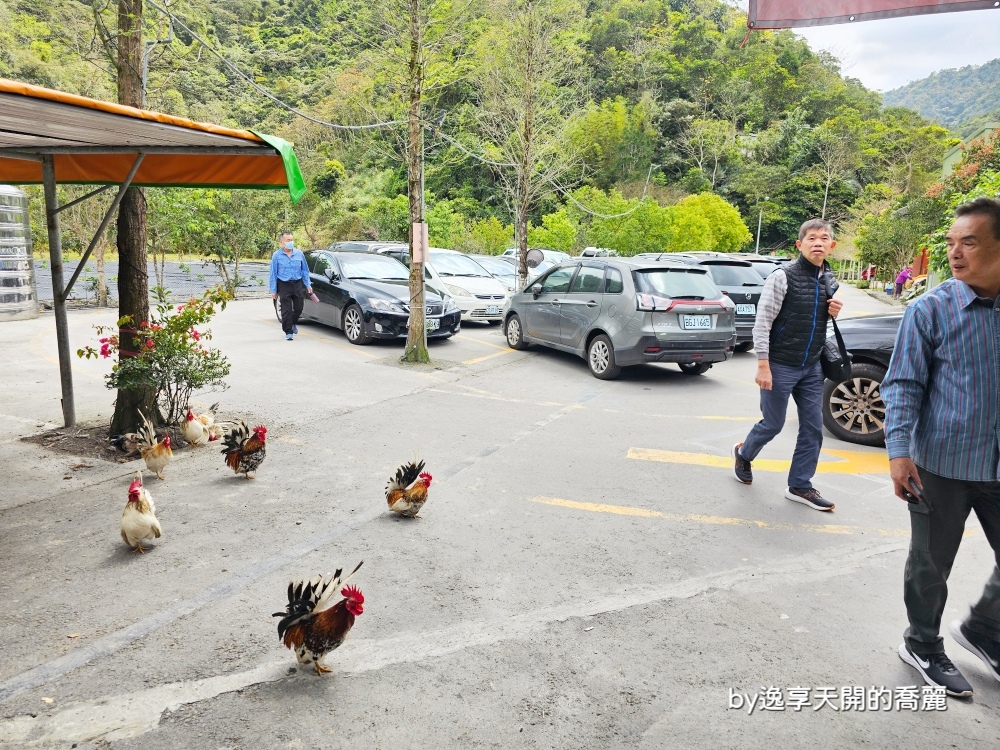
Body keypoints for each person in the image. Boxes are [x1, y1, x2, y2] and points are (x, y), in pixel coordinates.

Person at [882, 197, 1000, 698]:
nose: (955, 253)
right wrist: (898, 451)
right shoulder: (929, 309)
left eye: (969, 242)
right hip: (942, 462)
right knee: (931, 563)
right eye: (951, 242)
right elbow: (903, 384)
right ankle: (923, 643)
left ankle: (984, 630)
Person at [732, 219, 844, 511]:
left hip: (812, 365)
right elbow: (762, 323)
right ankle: (744, 454)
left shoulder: (829, 278)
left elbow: (812, 320)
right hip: (780, 364)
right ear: (799, 245)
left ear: (832, 246)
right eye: (811, 238)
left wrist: (832, 310)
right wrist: (763, 365)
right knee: (773, 423)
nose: (817, 242)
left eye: (824, 238)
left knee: (813, 428)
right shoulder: (782, 277)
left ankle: (800, 485)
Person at [269, 231, 313, 341]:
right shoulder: (276, 255)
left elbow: (305, 271)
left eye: (292, 240)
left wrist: (308, 284)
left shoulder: (299, 254)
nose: (291, 242)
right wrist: (273, 290)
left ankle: (293, 323)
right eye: (288, 240)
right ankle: (288, 331)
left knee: (299, 307)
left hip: (297, 283)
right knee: (286, 310)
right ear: (282, 242)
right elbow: (273, 273)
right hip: (283, 284)